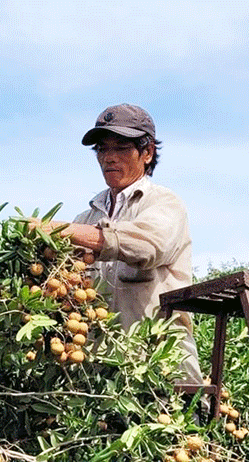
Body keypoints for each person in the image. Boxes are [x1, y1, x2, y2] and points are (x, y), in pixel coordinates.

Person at [33, 103, 202, 384]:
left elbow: (147, 245)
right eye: (102, 149)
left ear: (147, 153)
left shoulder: (164, 203)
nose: (109, 158)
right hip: (101, 379)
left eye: (121, 148)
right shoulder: (86, 217)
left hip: (160, 371)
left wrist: (58, 229)